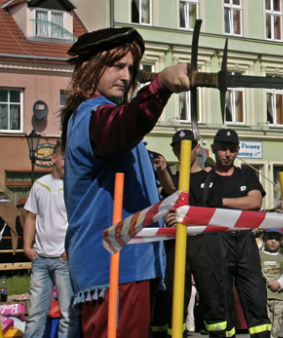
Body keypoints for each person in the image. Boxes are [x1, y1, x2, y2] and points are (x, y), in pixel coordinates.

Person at [61, 26, 190, 337]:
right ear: (91, 67)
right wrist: (160, 86)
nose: (126, 75)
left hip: (128, 263)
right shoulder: (93, 116)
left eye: (131, 68)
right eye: (117, 66)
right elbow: (124, 125)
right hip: (114, 265)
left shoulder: (102, 117)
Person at [151, 130, 231, 338]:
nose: (181, 152)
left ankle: (218, 333)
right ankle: (175, 333)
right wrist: (161, 171)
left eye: (186, 147)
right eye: (177, 148)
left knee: (212, 294)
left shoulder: (211, 177)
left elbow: (216, 214)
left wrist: (184, 217)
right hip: (176, 242)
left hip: (205, 242)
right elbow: (173, 194)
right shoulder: (171, 176)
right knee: (173, 295)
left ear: (197, 148)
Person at [210, 128, 272, 338]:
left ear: (237, 150)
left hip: (244, 239)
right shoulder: (207, 177)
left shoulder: (246, 174)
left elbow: (255, 202)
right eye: (222, 149)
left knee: (255, 296)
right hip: (217, 241)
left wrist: (221, 203)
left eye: (232, 149)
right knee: (221, 300)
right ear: (213, 149)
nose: (227, 154)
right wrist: (238, 204)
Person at [23, 140, 71, 338]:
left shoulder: (74, 187)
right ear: (54, 159)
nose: (69, 163)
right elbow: (31, 217)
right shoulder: (40, 185)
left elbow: (79, 222)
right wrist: (27, 246)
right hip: (41, 259)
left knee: (68, 314)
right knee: (35, 313)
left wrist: (71, 249)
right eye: (65, 158)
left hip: (63, 259)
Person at [259, 229, 283, 338]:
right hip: (263, 296)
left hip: (277, 297)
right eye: (270, 238)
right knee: (264, 322)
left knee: (276, 321)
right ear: (264, 238)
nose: (273, 241)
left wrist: (279, 283)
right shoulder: (259, 255)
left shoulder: (281, 258)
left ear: (281, 240)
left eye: (277, 239)